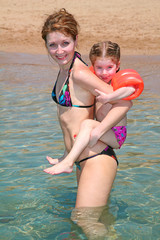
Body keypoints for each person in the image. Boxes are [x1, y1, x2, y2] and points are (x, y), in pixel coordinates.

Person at [41, 8, 132, 237]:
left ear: (75, 40)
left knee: (83, 221)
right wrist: (66, 153)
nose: (59, 50)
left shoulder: (79, 72)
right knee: (95, 222)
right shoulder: (65, 70)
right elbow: (68, 120)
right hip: (83, 158)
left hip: (97, 158)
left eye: (65, 43)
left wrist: (99, 130)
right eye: (53, 45)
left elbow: (124, 103)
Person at [44, 41, 135, 175]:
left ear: (117, 66)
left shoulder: (117, 84)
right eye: (99, 68)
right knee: (77, 123)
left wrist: (110, 98)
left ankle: (68, 162)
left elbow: (130, 90)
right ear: (93, 66)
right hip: (102, 132)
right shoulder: (96, 84)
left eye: (109, 67)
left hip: (116, 135)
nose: (104, 73)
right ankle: (66, 155)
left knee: (87, 124)